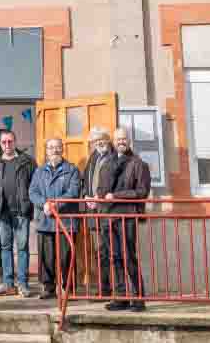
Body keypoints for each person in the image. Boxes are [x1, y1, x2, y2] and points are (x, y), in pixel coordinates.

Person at [100, 127, 152, 312]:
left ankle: (139, 299)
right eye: (117, 139)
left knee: (129, 257)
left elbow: (142, 192)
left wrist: (116, 196)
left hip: (127, 216)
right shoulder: (107, 164)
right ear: (113, 142)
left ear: (129, 141)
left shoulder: (139, 164)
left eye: (124, 139)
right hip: (109, 217)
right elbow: (102, 191)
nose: (121, 141)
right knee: (115, 258)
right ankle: (121, 298)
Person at [28, 138, 80, 300]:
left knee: (66, 256)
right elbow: (32, 192)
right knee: (46, 257)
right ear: (46, 151)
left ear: (62, 149)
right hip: (45, 221)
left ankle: (69, 288)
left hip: (65, 221)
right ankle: (48, 287)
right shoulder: (39, 171)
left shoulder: (72, 170)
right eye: (51, 148)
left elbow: (73, 192)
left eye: (57, 147)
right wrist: (44, 204)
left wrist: (55, 205)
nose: (54, 150)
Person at [0, 130, 35, 298]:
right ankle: (8, 284)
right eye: (4, 142)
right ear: (0, 144)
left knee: (22, 248)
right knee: (5, 248)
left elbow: (33, 184)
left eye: (10, 141)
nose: (7, 145)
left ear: (15, 142)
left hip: (21, 211)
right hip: (3, 212)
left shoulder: (27, 161)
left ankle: (23, 283)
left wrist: (29, 206)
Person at [81, 127, 118, 299]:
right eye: (95, 141)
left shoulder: (115, 157)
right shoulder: (93, 157)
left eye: (102, 139)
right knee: (100, 251)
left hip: (110, 211)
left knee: (113, 251)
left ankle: (118, 288)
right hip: (94, 213)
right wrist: (87, 196)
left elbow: (118, 183)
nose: (99, 143)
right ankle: (104, 288)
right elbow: (85, 181)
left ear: (108, 139)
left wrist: (100, 196)